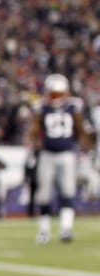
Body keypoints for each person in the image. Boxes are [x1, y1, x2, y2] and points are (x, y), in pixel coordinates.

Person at [29, 74, 93, 243]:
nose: (55, 98)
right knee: (44, 194)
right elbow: (34, 130)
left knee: (67, 192)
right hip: (47, 154)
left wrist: (85, 145)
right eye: (52, 94)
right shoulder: (41, 108)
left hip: (67, 154)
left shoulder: (74, 106)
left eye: (58, 94)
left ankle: (66, 229)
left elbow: (80, 129)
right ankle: (44, 231)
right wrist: (32, 142)